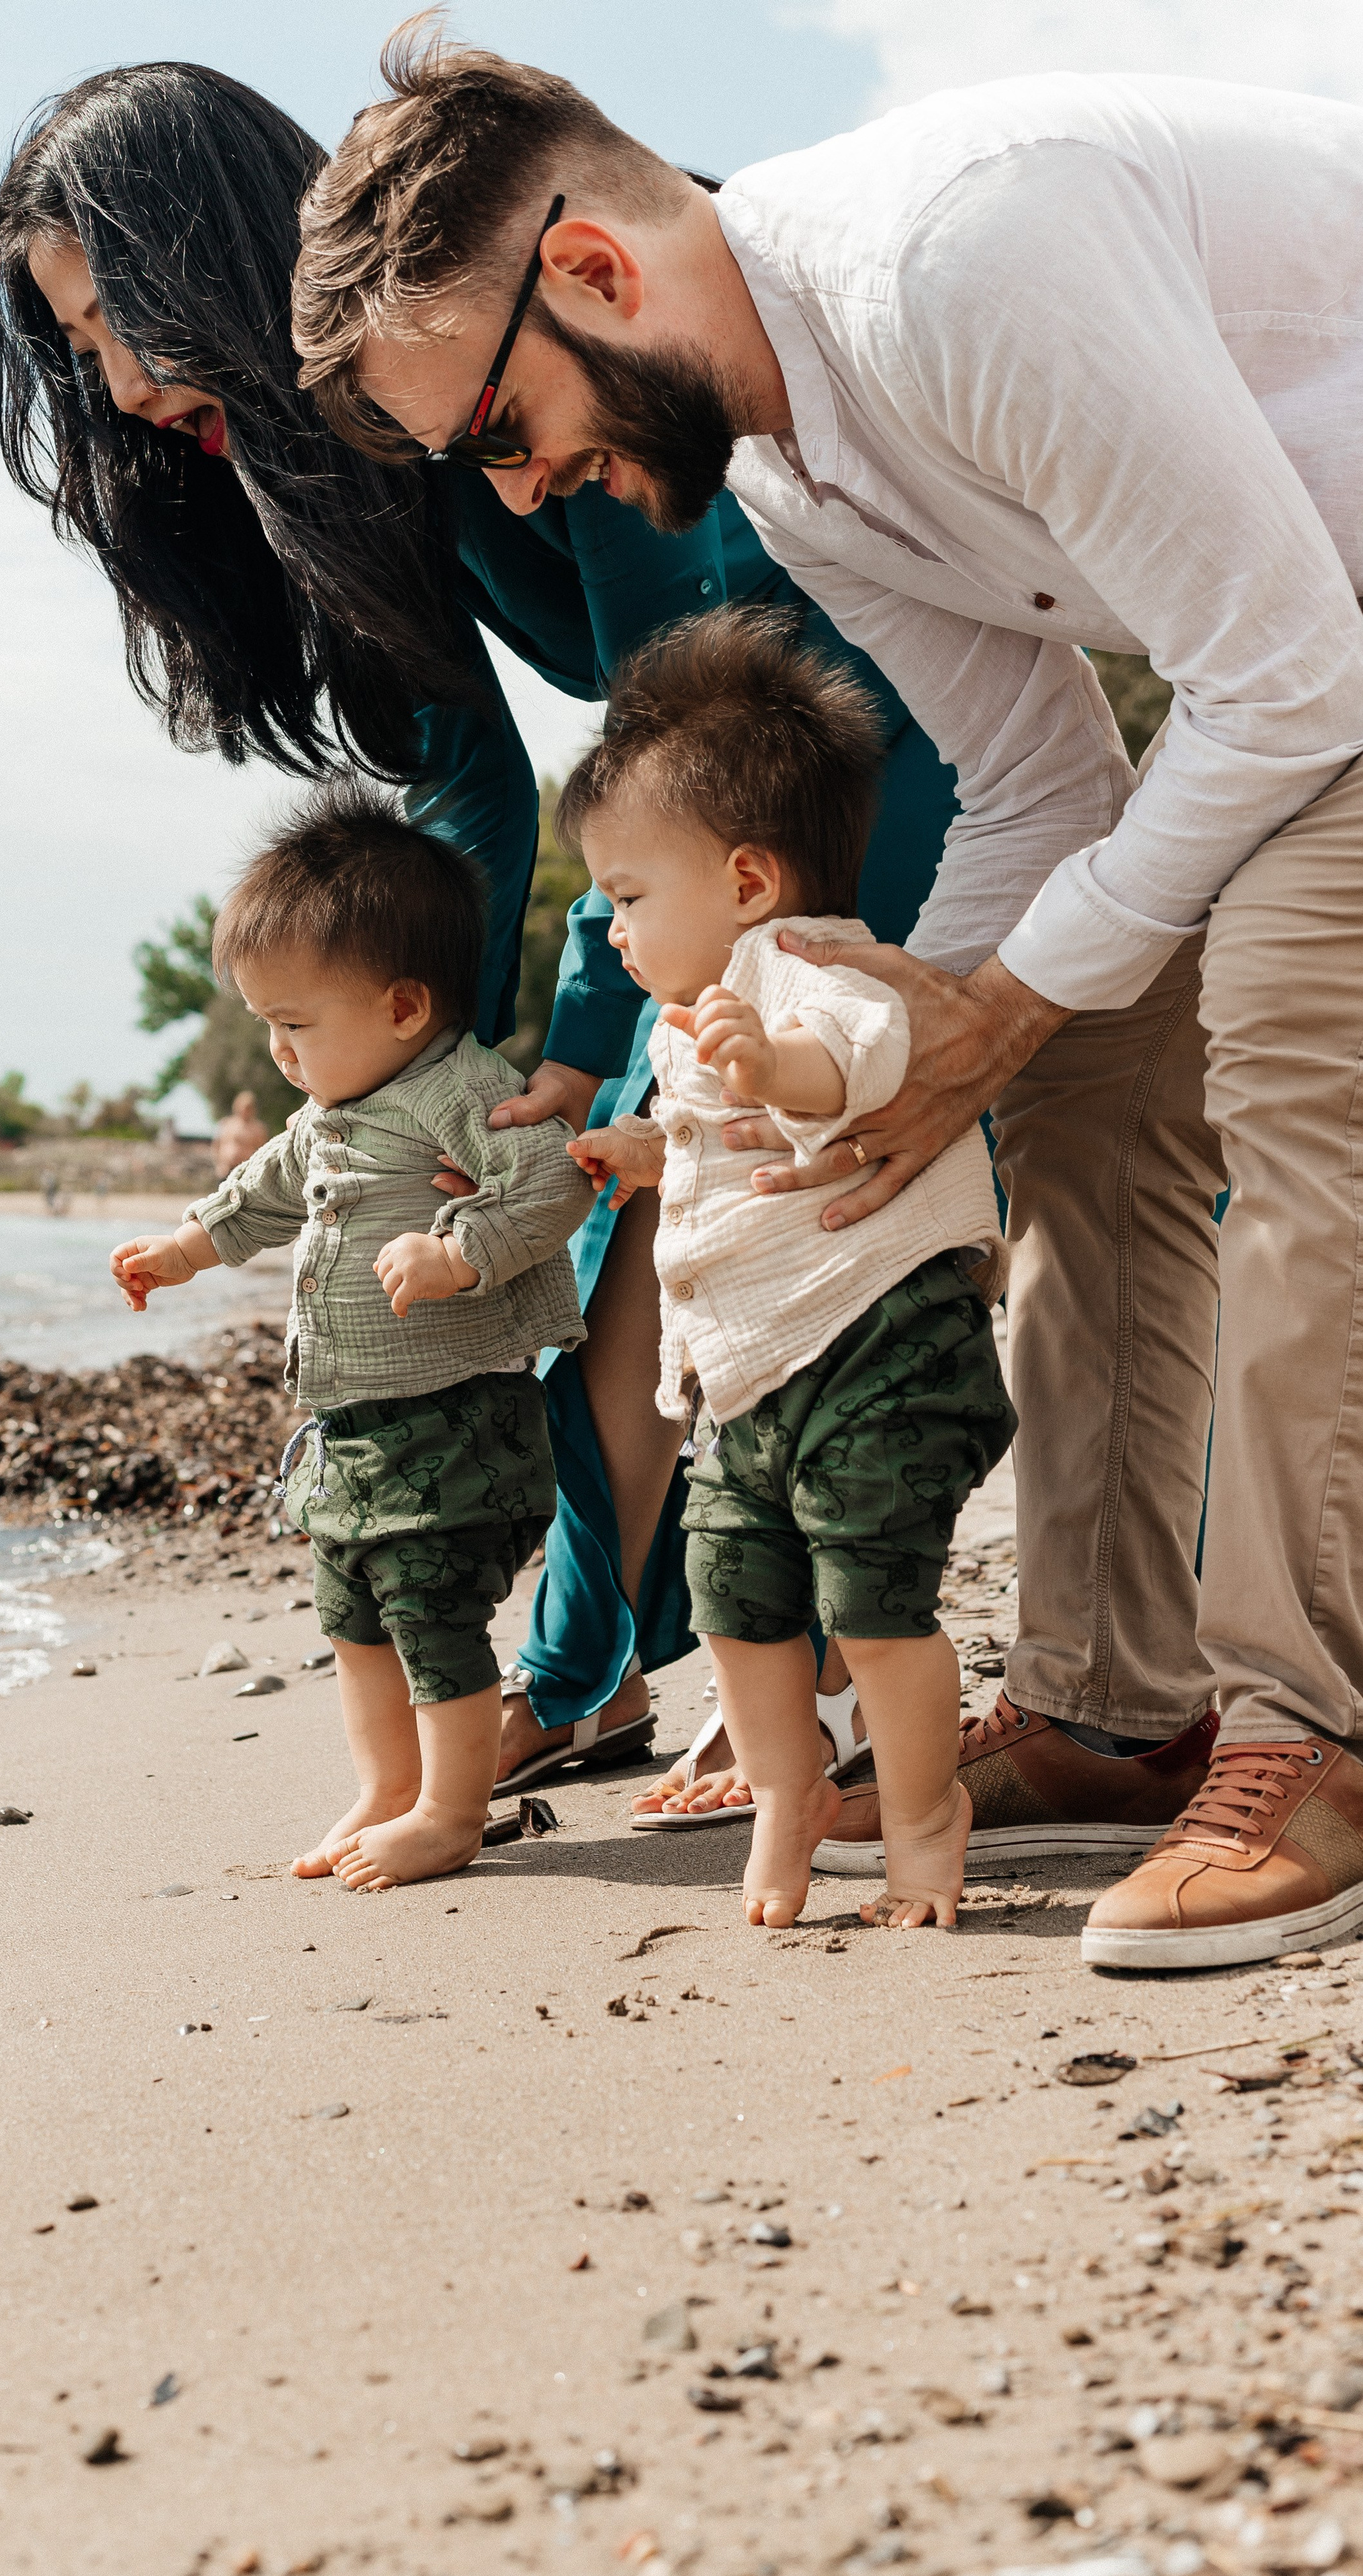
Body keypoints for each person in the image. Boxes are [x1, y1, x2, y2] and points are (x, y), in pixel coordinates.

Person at [289, 34, 1363, 1967]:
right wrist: (899, 1031)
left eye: (501, 432)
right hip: (1305, 643)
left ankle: (1318, 1730)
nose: (531, 495)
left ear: (597, 272)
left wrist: (1002, 1005)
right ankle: (1112, 1707)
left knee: (1286, 1029)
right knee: (1079, 1079)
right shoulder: (792, 478)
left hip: (1324, 652)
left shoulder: (963, 258)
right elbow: (1047, 792)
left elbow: (1283, 675)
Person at [0, 62, 988, 1820]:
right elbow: (466, 789)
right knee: (600, 1212)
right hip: (683, 813)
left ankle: (792, 1670)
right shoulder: (317, 464)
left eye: (125, 320)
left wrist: (587, 1043)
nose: (126, 388)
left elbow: (691, 692)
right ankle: (616, 1675)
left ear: (212, 253)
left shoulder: (485, 330)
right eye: (78, 356)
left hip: (843, 763)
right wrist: (430, 1078)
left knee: (749, 1215)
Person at [565, 607, 1014, 1928]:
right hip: (752, 1388)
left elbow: (859, 1054)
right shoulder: (683, 1021)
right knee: (737, 1607)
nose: (612, 928)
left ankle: (926, 1818)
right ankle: (785, 1796)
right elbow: (720, 1138)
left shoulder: (806, 965)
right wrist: (650, 1154)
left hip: (878, 1353)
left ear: (749, 882)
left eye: (629, 897)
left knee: (873, 1610)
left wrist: (781, 1068)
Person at [109, 783, 593, 1890]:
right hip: (355, 1430)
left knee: (431, 1620)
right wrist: (181, 1248)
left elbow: (552, 1179)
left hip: (457, 1417)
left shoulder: (463, 1092)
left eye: (294, 1025)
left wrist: (462, 1248)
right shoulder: (325, 1114)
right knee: (354, 1618)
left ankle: (450, 1812)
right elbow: (262, 1191)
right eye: (266, 1027)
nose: (279, 1054)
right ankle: (385, 1789)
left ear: (404, 1007)